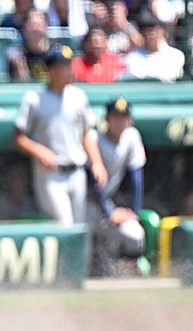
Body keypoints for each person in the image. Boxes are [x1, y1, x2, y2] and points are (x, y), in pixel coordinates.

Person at [14, 43, 108, 226]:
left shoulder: (79, 96)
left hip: (77, 171)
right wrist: (38, 150)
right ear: (51, 70)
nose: (68, 71)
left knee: (81, 228)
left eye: (69, 65)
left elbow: (86, 134)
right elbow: (18, 137)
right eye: (63, 66)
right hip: (51, 174)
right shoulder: (34, 99)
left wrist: (97, 162)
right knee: (65, 226)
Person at [87, 97, 148, 277]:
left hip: (109, 204)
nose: (120, 122)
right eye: (115, 117)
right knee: (83, 246)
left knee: (136, 235)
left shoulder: (132, 136)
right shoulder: (93, 138)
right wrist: (109, 211)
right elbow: (92, 182)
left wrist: (133, 213)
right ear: (106, 119)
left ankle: (123, 274)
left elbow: (137, 179)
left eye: (124, 117)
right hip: (86, 204)